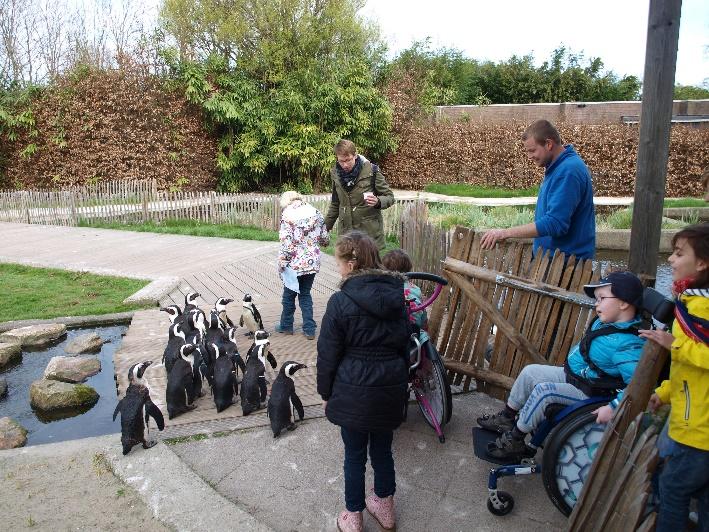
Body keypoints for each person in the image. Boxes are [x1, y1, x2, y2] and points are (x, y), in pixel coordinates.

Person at [478, 271, 646, 460]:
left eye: (602, 298)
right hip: (576, 377)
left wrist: (614, 407)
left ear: (623, 303)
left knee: (544, 392)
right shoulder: (607, 323)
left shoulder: (628, 345)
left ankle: (516, 439)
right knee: (530, 372)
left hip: (591, 392)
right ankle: (507, 418)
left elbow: (638, 385)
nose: (596, 304)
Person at [317, 231, 410, 532]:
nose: (339, 269)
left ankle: (353, 515)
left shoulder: (340, 301)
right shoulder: (398, 296)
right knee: (383, 449)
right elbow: (404, 343)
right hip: (388, 385)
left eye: (340, 263)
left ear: (352, 265)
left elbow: (328, 353)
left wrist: (325, 390)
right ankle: (385, 507)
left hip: (352, 387)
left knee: (354, 455)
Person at [639, 223, 709, 532]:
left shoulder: (702, 308)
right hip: (693, 419)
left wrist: (675, 345)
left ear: (703, 263)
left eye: (679, 254)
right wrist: (665, 392)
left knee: (672, 490)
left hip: (698, 429)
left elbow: (695, 354)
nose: (670, 260)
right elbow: (689, 372)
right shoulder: (691, 303)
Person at [480, 119, 596, 260]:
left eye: (532, 150)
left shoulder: (568, 171)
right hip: (552, 260)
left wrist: (504, 233)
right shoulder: (558, 167)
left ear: (548, 144)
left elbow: (556, 223)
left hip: (564, 266)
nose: (529, 157)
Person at [275, 191, 329, 340]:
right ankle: (309, 329)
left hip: (293, 264)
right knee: (305, 294)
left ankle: (286, 326)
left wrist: (283, 262)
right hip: (312, 262)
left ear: (286, 202)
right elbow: (324, 237)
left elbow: (286, 242)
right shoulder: (315, 212)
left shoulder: (287, 215)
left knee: (288, 295)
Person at [324, 139, 395, 250]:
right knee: (347, 267)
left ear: (355, 155)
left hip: (368, 237)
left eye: (348, 160)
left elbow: (390, 197)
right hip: (346, 235)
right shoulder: (335, 174)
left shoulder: (373, 171)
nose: (345, 165)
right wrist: (325, 228)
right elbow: (335, 204)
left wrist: (378, 201)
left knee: (367, 267)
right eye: (341, 161)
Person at [381, 248, 429, 343]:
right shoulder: (416, 289)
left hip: (390, 335)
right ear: (409, 268)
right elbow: (424, 320)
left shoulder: (382, 289)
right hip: (414, 335)